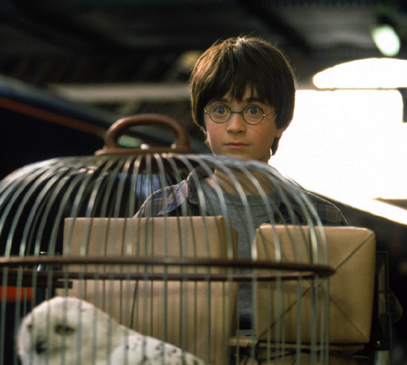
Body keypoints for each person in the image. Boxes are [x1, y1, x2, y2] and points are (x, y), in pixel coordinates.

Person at [136, 35, 347, 227]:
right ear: (203, 120)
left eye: (253, 111)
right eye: (220, 110)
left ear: (281, 122)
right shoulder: (159, 211)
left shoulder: (322, 220)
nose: (235, 127)